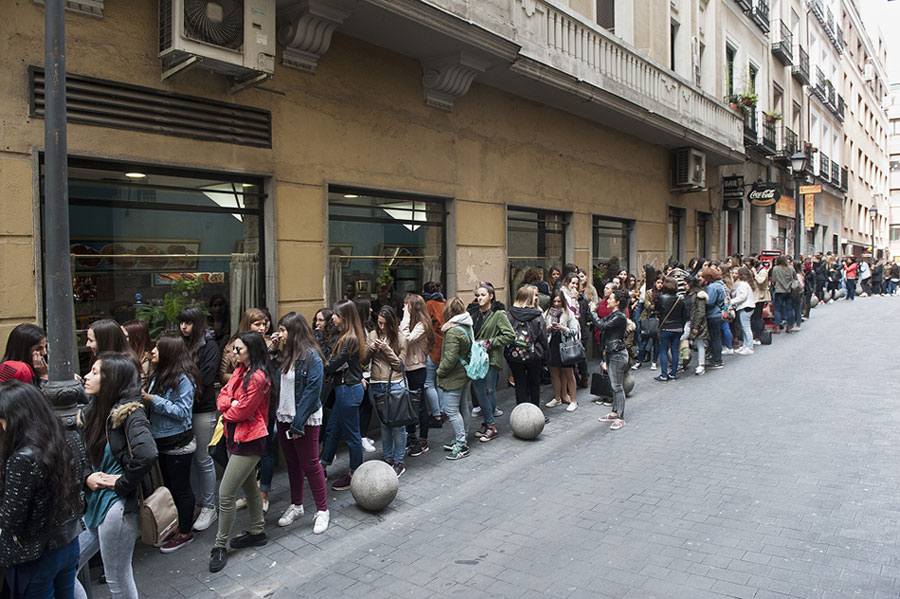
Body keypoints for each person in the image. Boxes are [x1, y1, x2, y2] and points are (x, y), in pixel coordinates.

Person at [75, 353, 157, 599]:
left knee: (118, 578)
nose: (87, 377)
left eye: (96, 372)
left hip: (116, 508)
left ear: (111, 380)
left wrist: (122, 483)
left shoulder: (130, 413)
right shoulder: (94, 412)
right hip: (96, 504)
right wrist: (88, 477)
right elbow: (84, 456)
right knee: (66, 567)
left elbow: (147, 453)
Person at [0, 382, 84, 599]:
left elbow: (10, 520)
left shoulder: (22, 458)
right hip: (68, 541)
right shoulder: (67, 439)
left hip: (36, 555)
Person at [209, 331, 272, 573]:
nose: (234, 354)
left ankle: (220, 545)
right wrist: (230, 404)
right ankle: (258, 532)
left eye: (239, 350)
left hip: (250, 439)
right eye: (234, 349)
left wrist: (229, 409)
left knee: (225, 494)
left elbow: (242, 411)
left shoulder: (257, 377)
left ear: (252, 351)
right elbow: (223, 396)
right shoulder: (241, 370)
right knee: (249, 488)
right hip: (237, 436)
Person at [271, 312, 329, 533]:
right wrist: (272, 349)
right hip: (284, 415)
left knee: (311, 464)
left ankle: (322, 510)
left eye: (283, 330)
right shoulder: (283, 355)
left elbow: (312, 392)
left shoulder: (311, 357)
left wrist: (298, 424)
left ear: (294, 331)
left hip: (304, 419)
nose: (280, 334)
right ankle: (296, 505)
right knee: (292, 464)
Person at [141, 334, 199, 553]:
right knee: (171, 487)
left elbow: (183, 412)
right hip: (163, 441)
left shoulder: (183, 378)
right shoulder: (160, 375)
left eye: (157, 347)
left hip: (178, 443)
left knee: (181, 487)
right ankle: (178, 526)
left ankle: (185, 532)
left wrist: (152, 400)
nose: (152, 351)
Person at [219, 308, 274, 514]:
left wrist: (233, 404)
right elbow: (223, 382)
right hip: (238, 419)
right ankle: (257, 525)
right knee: (247, 479)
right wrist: (235, 394)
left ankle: (264, 495)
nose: (263, 327)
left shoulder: (268, 348)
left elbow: (245, 406)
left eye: (265, 323)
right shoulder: (236, 352)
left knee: (265, 451)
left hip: (256, 415)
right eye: (257, 324)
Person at [177, 306, 220, 532]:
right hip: (184, 409)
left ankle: (210, 506)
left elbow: (206, 375)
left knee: (203, 458)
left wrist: (183, 389)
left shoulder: (209, 345)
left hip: (202, 408)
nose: (184, 327)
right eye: (181, 322)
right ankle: (199, 501)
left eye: (188, 322)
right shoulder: (180, 344)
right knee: (191, 458)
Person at [319, 300, 368, 491]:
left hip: (348, 389)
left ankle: (355, 473)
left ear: (345, 317)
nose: (333, 317)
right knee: (333, 428)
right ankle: (323, 464)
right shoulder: (346, 336)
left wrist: (322, 356)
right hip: (345, 389)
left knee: (352, 435)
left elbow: (330, 365)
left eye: (336, 314)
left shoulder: (349, 339)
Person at [467, 283, 515, 440]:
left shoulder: (498, 314)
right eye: (478, 295)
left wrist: (490, 342)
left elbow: (510, 335)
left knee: (488, 390)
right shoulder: (474, 313)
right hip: (476, 358)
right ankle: (487, 422)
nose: (480, 298)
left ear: (491, 296)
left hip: (490, 358)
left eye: (483, 295)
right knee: (477, 390)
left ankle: (491, 425)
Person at [367, 307, 409, 476]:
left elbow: (400, 365)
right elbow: (363, 360)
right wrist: (370, 349)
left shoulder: (401, 338)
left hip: (394, 385)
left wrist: (386, 349)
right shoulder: (372, 335)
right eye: (379, 323)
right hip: (376, 384)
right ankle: (387, 458)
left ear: (392, 324)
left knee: (398, 426)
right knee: (384, 425)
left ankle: (399, 461)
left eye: (385, 324)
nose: (381, 327)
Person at [436, 298, 474, 461]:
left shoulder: (453, 331)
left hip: (454, 377)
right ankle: (463, 437)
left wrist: (439, 372)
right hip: (463, 374)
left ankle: (461, 445)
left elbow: (450, 359)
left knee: (452, 411)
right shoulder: (466, 325)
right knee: (463, 407)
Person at [401, 294, 436, 456]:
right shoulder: (412, 323)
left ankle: (423, 439)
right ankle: (411, 436)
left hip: (417, 369)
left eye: (405, 305)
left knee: (420, 405)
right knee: (408, 405)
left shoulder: (422, 325)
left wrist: (405, 318)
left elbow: (405, 340)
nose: (403, 308)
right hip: (406, 369)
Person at [505, 285, 550, 409]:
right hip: (534, 355)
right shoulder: (536, 316)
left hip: (515, 354)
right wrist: (546, 357)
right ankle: (534, 413)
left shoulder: (510, 314)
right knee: (534, 385)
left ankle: (521, 413)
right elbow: (543, 338)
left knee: (520, 384)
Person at [592, 290, 630, 431]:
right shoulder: (613, 315)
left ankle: (620, 417)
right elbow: (602, 324)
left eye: (610, 298)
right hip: (611, 353)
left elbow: (601, 325)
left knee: (617, 386)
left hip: (617, 354)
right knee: (614, 385)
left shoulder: (619, 316)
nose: (607, 300)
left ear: (617, 302)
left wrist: (593, 312)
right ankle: (614, 412)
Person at [543, 288, 580, 411]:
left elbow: (575, 331)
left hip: (566, 346)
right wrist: (547, 328)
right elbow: (541, 329)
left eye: (559, 301)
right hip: (552, 344)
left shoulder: (568, 313)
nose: (556, 304)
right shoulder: (547, 313)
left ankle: (574, 400)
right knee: (554, 373)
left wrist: (563, 329)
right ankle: (557, 397)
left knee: (569, 373)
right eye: (554, 301)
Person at [653, 277, 686, 382]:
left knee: (663, 350)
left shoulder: (661, 298)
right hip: (677, 328)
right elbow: (684, 315)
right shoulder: (680, 300)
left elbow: (657, 309)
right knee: (675, 350)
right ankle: (673, 373)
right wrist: (682, 326)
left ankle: (663, 374)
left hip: (665, 327)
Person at [422, 282, 446, 428]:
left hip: (433, 348)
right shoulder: (444, 303)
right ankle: (442, 411)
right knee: (440, 383)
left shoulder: (429, 304)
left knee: (429, 383)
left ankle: (436, 414)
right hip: (445, 347)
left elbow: (425, 325)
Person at [635, 275, 663, 370]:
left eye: (661, 283)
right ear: (655, 282)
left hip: (658, 320)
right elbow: (647, 305)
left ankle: (654, 361)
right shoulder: (649, 292)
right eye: (658, 282)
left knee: (656, 343)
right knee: (643, 342)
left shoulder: (663, 294)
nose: (660, 285)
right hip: (648, 319)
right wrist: (656, 307)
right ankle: (639, 361)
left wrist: (654, 306)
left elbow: (662, 308)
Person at [701, 268, 726, 369]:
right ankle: (717, 359)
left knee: (715, 338)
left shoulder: (712, 287)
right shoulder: (722, 284)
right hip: (720, 313)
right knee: (717, 337)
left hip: (713, 314)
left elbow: (710, 302)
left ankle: (717, 360)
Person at [687, 278, 710, 375]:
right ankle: (682, 361)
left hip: (697, 323)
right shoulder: (689, 294)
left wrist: (696, 326)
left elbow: (701, 312)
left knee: (700, 343)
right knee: (684, 339)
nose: (685, 286)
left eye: (686, 284)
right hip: (689, 322)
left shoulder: (699, 295)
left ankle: (701, 365)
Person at [121, 320, 153, 390]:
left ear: (136, 338)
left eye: (126, 337)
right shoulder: (121, 355)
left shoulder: (146, 360)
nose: (121, 340)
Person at [731, 267, 756, 355]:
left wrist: (732, 302)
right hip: (748, 306)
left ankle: (749, 347)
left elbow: (742, 296)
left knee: (746, 328)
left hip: (745, 307)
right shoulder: (746, 283)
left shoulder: (742, 284)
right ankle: (746, 345)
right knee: (745, 327)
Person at [770, 256, 796, 333]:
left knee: (777, 309)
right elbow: (795, 278)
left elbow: (774, 279)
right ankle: (789, 327)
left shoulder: (776, 268)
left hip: (779, 290)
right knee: (789, 309)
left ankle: (777, 327)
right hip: (789, 291)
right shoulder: (791, 268)